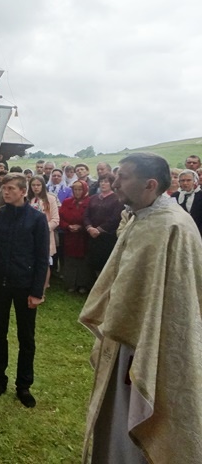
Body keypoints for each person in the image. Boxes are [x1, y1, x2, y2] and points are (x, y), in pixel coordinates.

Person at [79, 153, 202, 464]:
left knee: (133, 424)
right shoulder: (141, 216)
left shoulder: (170, 226)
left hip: (149, 344)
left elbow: (175, 298)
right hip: (123, 339)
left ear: (150, 184)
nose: (115, 182)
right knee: (116, 421)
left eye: (124, 177)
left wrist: (142, 341)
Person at [0, 173, 49, 408]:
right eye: (3, 188)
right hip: (0, 283)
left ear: (23, 191)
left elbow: (42, 257)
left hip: (25, 285)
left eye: (10, 188)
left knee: (26, 337)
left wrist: (37, 291)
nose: (5, 192)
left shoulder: (37, 219)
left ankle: (24, 385)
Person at [84, 172, 124, 277]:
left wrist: (99, 229)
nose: (103, 184)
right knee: (93, 262)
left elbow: (115, 218)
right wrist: (89, 228)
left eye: (106, 181)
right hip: (92, 236)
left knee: (105, 263)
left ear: (112, 183)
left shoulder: (117, 199)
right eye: (101, 181)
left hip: (107, 237)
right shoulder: (93, 198)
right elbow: (86, 215)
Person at [59, 180, 91, 293]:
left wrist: (82, 227)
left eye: (80, 189)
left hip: (84, 236)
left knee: (83, 261)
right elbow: (60, 218)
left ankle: (83, 284)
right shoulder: (67, 202)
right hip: (70, 235)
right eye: (75, 190)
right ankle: (70, 284)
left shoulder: (90, 202)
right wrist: (68, 226)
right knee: (70, 260)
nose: (77, 192)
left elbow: (92, 218)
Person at [172, 169, 202, 235]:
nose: (185, 183)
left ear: (195, 181)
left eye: (188, 180)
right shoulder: (175, 196)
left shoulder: (200, 195)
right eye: (182, 180)